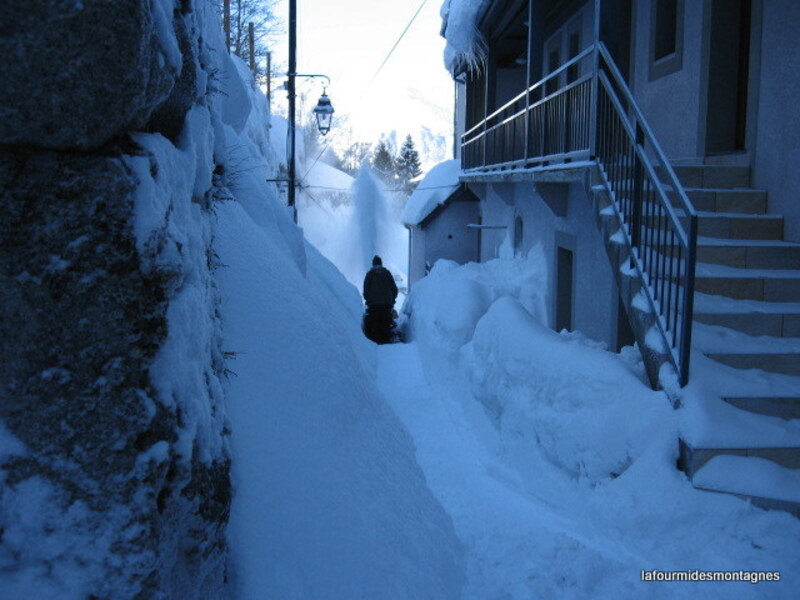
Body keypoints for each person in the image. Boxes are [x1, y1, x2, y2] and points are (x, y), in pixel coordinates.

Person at [362, 255, 398, 344]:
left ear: (373, 264)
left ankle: (375, 341)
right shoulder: (387, 273)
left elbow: (366, 290)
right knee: (385, 323)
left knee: (375, 324)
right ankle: (386, 340)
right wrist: (392, 300)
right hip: (386, 304)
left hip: (373, 305)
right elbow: (394, 289)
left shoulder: (369, 274)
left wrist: (368, 299)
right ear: (381, 264)